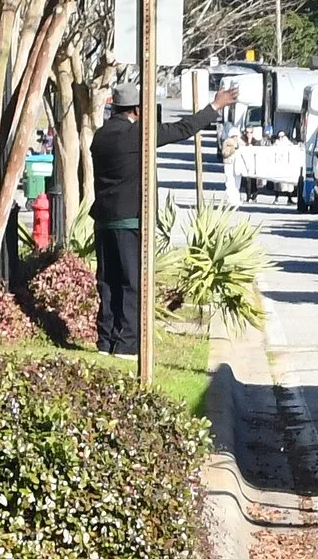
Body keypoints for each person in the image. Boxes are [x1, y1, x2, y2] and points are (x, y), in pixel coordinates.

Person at [89, 79, 233, 356]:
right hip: (129, 220)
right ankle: (128, 343)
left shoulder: (101, 136)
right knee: (132, 282)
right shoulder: (136, 135)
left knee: (107, 281)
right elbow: (181, 129)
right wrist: (214, 106)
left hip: (104, 220)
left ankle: (105, 341)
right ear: (136, 110)